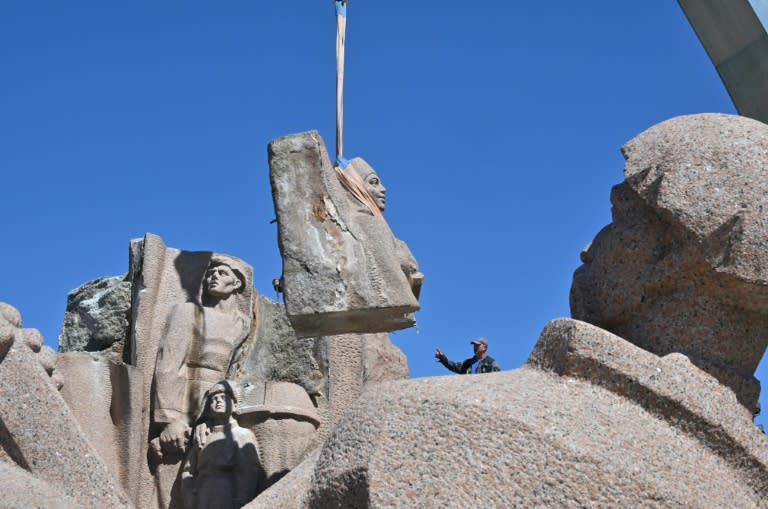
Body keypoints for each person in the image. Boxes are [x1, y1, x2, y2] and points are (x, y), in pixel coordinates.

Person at [153, 255, 250, 457]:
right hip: (186, 408)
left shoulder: (245, 325)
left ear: (237, 283)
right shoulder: (188, 312)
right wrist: (172, 420)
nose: (213, 278)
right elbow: (169, 367)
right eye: (210, 274)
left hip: (224, 412)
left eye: (222, 273)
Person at [180, 381, 261, 509]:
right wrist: (189, 495)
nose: (218, 401)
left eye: (224, 398)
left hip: (225, 496)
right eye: (214, 399)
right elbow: (188, 470)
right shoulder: (203, 435)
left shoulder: (243, 435)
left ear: (234, 405)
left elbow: (248, 473)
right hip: (200, 498)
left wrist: (241, 501)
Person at [435, 337, 501, 374]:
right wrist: (442, 358)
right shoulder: (467, 363)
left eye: (477, 345)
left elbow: (497, 378)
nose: (475, 347)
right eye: (474, 345)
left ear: (485, 347)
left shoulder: (491, 363)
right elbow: (453, 366)